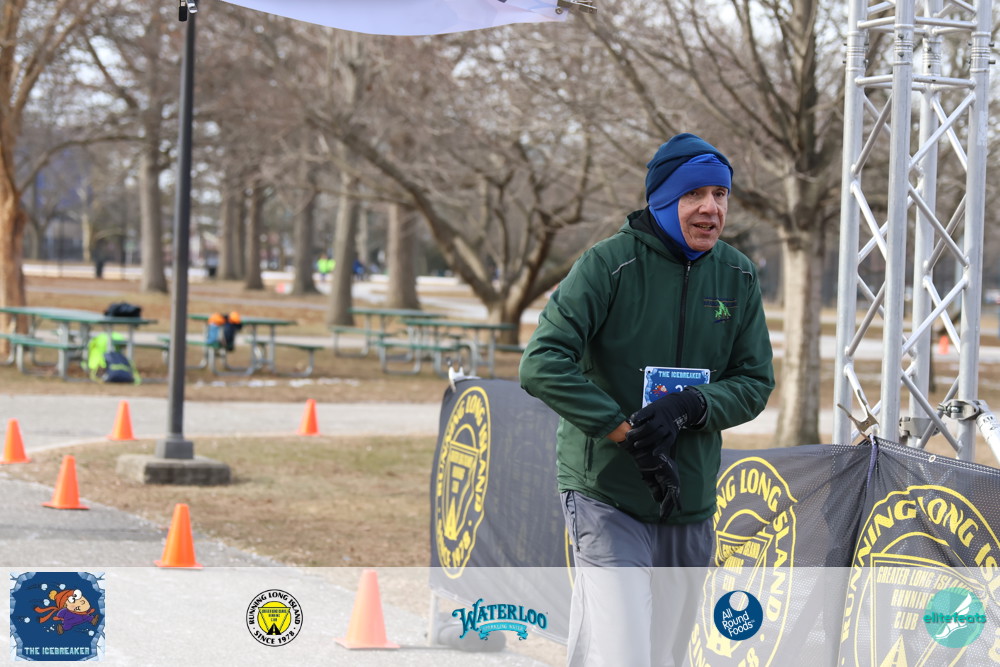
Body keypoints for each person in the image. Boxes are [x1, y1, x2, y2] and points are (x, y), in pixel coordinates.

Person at [519, 133, 774, 666]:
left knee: (663, 656)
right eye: (694, 194)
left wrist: (690, 406)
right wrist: (624, 432)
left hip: (689, 499)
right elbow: (542, 363)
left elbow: (754, 382)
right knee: (624, 650)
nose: (711, 207)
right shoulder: (607, 264)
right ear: (662, 200)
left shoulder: (737, 275)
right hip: (606, 492)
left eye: (720, 194)